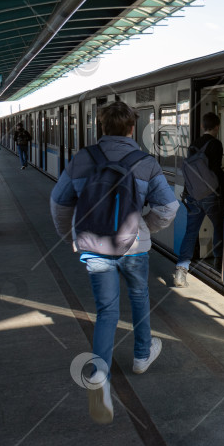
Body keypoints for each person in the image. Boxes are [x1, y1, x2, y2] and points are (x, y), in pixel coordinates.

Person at [50, 101, 178, 424]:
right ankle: (141, 355)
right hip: (134, 248)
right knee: (139, 297)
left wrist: (72, 237)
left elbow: (59, 203)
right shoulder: (146, 163)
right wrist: (144, 225)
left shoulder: (82, 159)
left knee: (106, 311)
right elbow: (169, 208)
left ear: (101, 127)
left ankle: (99, 376)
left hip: (95, 248)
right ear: (132, 128)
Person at [173, 112, 224, 287]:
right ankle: (218, 262)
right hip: (210, 195)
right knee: (219, 226)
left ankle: (181, 271)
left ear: (203, 126)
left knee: (191, 232)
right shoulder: (216, 144)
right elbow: (216, 171)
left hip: (193, 195)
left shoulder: (194, 144)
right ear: (217, 127)